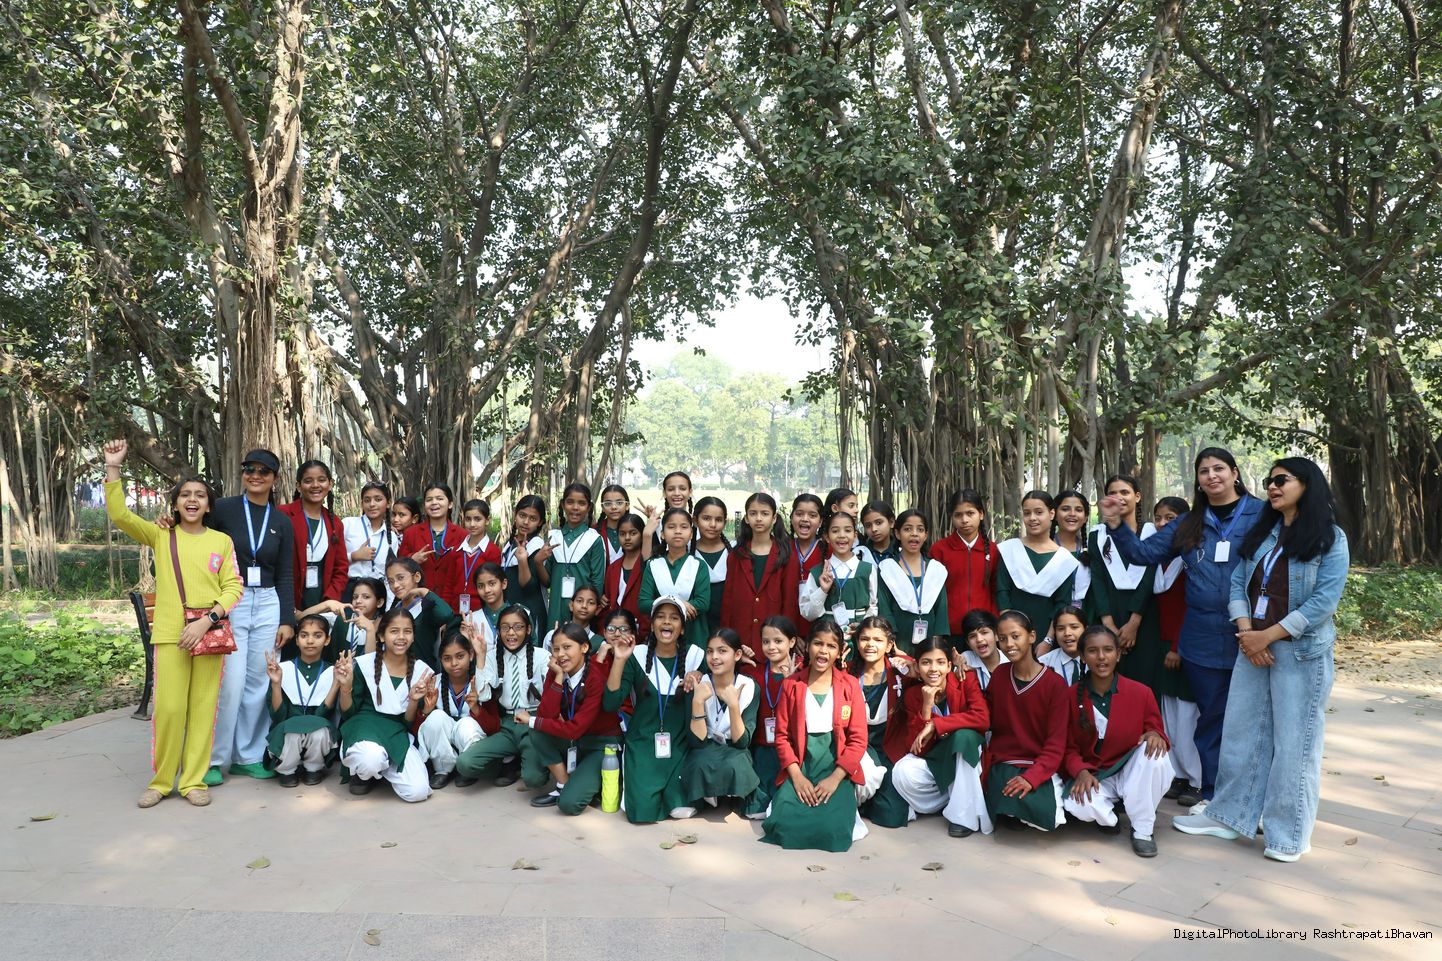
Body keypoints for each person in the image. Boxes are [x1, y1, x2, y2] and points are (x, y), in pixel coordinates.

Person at [1173, 457, 1349, 862]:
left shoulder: (1330, 537)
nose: (1272, 487)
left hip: (1299, 652)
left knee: (1295, 744)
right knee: (1241, 734)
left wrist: (1266, 636)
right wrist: (1246, 631)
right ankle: (1228, 817)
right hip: (1251, 645)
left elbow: (1323, 601)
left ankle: (1288, 836)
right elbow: (1239, 582)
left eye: (1281, 480)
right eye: (1269, 480)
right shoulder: (1265, 532)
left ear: (1307, 485)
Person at [1099, 446, 1264, 811]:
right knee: (1209, 719)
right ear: (1198, 481)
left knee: (1251, 720)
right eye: (1204, 471)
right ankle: (1213, 796)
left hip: (1251, 632)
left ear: (1235, 473)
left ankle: (1253, 798)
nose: (1212, 476)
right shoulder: (1189, 523)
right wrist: (1116, 524)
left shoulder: (1262, 514)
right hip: (1202, 635)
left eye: (1219, 468)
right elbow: (1142, 554)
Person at [103, 439, 244, 808]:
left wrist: (208, 619)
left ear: (208, 505)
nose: (192, 500)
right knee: (168, 711)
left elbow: (233, 586)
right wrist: (114, 467)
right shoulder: (161, 535)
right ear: (176, 503)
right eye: (185, 495)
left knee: (203, 709)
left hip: (208, 635)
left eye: (200, 495)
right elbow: (120, 516)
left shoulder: (222, 542)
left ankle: (194, 781)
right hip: (170, 635)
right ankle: (162, 781)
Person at [205, 447, 294, 787]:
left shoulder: (281, 520)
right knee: (230, 683)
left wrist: (286, 619)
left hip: (268, 601)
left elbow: (285, 573)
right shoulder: (223, 509)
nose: (255, 476)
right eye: (250, 470)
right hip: (233, 599)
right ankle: (214, 759)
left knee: (259, 682)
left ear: (274, 479)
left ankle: (249, 757)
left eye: (263, 471)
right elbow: (196, 539)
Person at [1062, 625, 1174, 858]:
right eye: (1092, 651)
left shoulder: (1141, 692)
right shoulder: (1070, 696)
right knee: (1076, 805)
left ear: (1118, 654)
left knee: (1156, 755)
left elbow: (1155, 728)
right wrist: (1081, 771)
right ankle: (1112, 815)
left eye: (1108, 650)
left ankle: (1142, 830)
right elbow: (1067, 746)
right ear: (1082, 656)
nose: (1101, 657)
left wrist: (1155, 735)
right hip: (1097, 775)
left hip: (1131, 771)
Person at [760, 618, 870, 851]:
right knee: (784, 825)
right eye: (818, 643)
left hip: (837, 767)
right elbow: (782, 737)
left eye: (831, 646)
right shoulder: (792, 684)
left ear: (840, 651)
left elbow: (858, 739)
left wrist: (835, 779)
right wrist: (797, 777)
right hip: (802, 764)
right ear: (807, 645)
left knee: (831, 829)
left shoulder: (850, 685)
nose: (823, 651)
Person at [602, 596, 706, 823]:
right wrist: (619, 659)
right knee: (641, 813)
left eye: (674, 618)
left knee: (681, 810)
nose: (666, 622)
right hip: (643, 743)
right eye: (660, 617)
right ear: (651, 624)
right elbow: (610, 704)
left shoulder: (695, 657)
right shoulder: (637, 656)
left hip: (680, 745)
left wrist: (699, 675)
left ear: (682, 628)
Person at [888, 637, 991, 838]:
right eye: (926, 662)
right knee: (902, 772)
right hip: (936, 757)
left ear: (949, 666)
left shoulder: (965, 679)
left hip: (965, 756)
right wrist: (926, 708)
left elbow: (982, 718)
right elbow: (918, 749)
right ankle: (953, 799)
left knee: (964, 737)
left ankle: (963, 817)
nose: (933, 669)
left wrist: (937, 724)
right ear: (917, 667)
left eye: (940, 662)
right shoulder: (913, 695)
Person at [518, 623, 622, 814]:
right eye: (556, 649)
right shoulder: (556, 671)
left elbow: (574, 729)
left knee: (569, 805)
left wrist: (531, 720)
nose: (561, 654)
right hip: (575, 741)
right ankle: (563, 783)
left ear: (584, 647)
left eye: (567, 647)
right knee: (538, 730)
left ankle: (590, 782)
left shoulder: (595, 678)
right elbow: (546, 715)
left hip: (600, 746)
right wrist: (558, 677)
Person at [984, 610, 1070, 832]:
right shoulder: (1000, 675)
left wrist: (1032, 778)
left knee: (1047, 816)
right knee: (1008, 799)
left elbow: (1056, 744)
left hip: (1039, 764)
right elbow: (985, 717)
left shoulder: (1055, 684)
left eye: (1015, 636)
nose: (1009, 644)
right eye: (1002, 639)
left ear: (1032, 636)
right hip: (1004, 763)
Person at [339, 607, 432, 801]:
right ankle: (363, 774)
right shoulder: (365, 664)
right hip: (364, 728)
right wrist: (345, 687)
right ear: (381, 636)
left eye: (407, 631)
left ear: (413, 637)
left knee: (418, 792)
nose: (401, 637)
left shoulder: (421, 671)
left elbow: (407, 723)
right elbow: (348, 713)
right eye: (394, 631)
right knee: (370, 759)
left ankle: (380, 769)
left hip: (396, 734)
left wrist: (414, 700)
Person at [455, 604, 551, 790]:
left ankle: (528, 760)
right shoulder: (492, 656)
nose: (511, 633)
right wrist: (480, 656)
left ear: (528, 629)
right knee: (465, 764)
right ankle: (505, 763)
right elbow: (483, 696)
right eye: (505, 627)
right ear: (498, 631)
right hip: (507, 724)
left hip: (533, 722)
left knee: (534, 780)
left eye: (518, 627)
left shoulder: (542, 656)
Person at [1090, 475, 1163, 702]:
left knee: (1145, 682)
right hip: (1109, 615)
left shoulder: (1152, 533)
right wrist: (1108, 623)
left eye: (1125, 492)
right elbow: (1097, 580)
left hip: (1146, 619)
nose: (1118, 497)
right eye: (1112, 493)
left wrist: (1134, 623)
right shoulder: (1097, 536)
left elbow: (1149, 579)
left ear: (1137, 497)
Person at [1151, 495, 1203, 806]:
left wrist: (1177, 647)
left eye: (1170, 518)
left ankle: (1197, 780)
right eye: (1158, 518)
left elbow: (1191, 607)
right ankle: (1178, 774)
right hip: (1159, 646)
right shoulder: (1157, 558)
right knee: (1168, 714)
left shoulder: (1193, 558)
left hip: (1184, 647)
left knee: (1188, 717)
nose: (1162, 524)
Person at [679, 628, 761, 811]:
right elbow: (697, 742)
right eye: (710, 651)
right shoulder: (698, 684)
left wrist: (733, 706)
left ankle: (732, 796)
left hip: (734, 747)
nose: (714, 657)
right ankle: (706, 796)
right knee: (700, 763)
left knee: (735, 763)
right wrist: (697, 702)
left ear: (737, 655)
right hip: (705, 746)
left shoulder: (749, 687)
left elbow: (742, 743)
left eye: (722, 651)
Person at [264, 615, 343, 787]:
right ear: (297, 640)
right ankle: (287, 769)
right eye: (304, 635)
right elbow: (278, 717)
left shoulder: (332, 671)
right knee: (291, 731)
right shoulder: (283, 669)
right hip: (288, 732)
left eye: (317, 635)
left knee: (320, 730)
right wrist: (276, 684)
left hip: (317, 730)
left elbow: (323, 716)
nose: (310, 641)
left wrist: (336, 683)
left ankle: (313, 767)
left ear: (327, 640)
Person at [852, 617, 913, 829]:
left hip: (888, 747)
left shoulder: (901, 671)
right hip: (858, 746)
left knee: (891, 816)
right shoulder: (847, 672)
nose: (870, 645)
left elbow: (931, 669)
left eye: (878, 640)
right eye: (865, 639)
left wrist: (908, 660)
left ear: (889, 645)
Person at [720, 492, 800, 652]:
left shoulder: (786, 555)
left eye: (764, 513)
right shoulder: (736, 554)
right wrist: (726, 639)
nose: (758, 518)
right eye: (753, 513)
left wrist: (786, 637)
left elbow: (789, 602)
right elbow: (728, 599)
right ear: (746, 518)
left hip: (773, 642)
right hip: (741, 639)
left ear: (774, 518)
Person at [996, 491, 1079, 640]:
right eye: (1027, 513)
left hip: (1047, 633)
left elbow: (1061, 604)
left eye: (1039, 512)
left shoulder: (1063, 559)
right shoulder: (1010, 550)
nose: (1032, 518)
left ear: (1052, 514)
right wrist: (1010, 634)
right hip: (1011, 635)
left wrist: (1048, 640)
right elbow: (1002, 592)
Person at [278, 461, 348, 635]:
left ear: (330, 484)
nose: (315, 485)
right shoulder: (283, 515)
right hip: (288, 601)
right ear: (298, 486)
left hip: (321, 601)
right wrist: (288, 606)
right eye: (308, 481)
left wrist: (327, 602)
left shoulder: (335, 523)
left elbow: (341, 568)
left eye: (321, 480)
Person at [743, 615, 803, 819]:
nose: (771, 647)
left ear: (792, 642)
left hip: (791, 750)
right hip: (762, 748)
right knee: (756, 811)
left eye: (778, 641)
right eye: (766, 641)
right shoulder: (756, 671)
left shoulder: (802, 671)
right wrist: (737, 659)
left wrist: (791, 682)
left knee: (785, 806)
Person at [413, 627, 487, 789]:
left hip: (470, 739)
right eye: (447, 658)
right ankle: (442, 769)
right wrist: (426, 711)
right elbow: (420, 730)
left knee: (466, 724)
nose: (454, 663)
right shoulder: (435, 683)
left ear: (471, 655)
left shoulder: (480, 680)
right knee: (436, 717)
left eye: (460, 656)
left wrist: (476, 709)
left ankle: (467, 768)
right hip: (445, 743)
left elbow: (493, 726)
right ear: (440, 660)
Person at [876, 509, 948, 655]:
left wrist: (937, 642)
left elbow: (941, 610)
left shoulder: (936, 570)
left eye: (920, 529)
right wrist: (892, 641)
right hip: (897, 642)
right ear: (897, 534)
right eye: (907, 529)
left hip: (931, 642)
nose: (914, 533)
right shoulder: (887, 568)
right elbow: (884, 608)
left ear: (926, 535)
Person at [639, 507, 711, 650]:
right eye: (671, 527)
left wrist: (663, 604)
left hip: (694, 634)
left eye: (684, 527)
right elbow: (643, 603)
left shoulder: (698, 565)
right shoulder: (653, 565)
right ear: (662, 534)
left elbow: (703, 603)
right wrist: (680, 604)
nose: (678, 531)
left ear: (691, 534)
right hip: (662, 634)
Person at [799, 511, 877, 638]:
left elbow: (873, 606)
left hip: (859, 637)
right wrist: (823, 590)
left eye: (847, 530)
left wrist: (863, 626)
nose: (842, 535)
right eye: (835, 531)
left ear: (855, 535)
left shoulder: (867, 570)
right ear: (827, 537)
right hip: (826, 638)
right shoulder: (818, 572)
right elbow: (808, 613)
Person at [929, 489, 998, 633]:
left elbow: (997, 590)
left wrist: (994, 622)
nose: (964, 520)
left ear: (981, 514)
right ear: (952, 517)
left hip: (984, 630)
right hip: (949, 629)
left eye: (970, 513)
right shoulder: (939, 550)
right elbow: (932, 593)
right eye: (958, 515)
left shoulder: (993, 550)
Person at [544, 482, 607, 628]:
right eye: (570, 502)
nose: (575, 507)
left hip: (582, 611)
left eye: (582, 503)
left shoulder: (594, 539)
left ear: (589, 507)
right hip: (556, 607)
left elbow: (597, 582)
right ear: (562, 504)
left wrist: (590, 606)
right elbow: (546, 581)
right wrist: (538, 561)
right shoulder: (554, 537)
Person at [398, 483, 467, 610]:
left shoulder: (462, 535)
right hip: (417, 602)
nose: (434, 503)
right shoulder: (411, 533)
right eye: (429, 500)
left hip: (450, 602)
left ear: (450, 504)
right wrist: (412, 559)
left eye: (440, 498)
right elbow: (398, 566)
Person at [501, 494, 549, 633]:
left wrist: (522, 561)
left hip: (530, 614)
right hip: (511, 611)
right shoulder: (510, 543)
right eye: (522, 515)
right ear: (515, 515)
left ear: (540, 522)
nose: (526, 522)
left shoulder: (536, 546)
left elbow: (529, 587)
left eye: (532, 518)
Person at [342, 482, 395, 602]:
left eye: (378, 499)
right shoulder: (348, 524)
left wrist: (388, 604)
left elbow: (390, 574)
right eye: (367, 500)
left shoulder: (392, 537)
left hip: (378, 592)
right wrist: (354, 556)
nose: (372, 504)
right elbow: (332, 560)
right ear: (362, 504)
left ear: (388, 503)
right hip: (350, 590)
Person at [452, 499, 501, 616]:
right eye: (468, 519)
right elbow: (449, 583)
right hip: (456, 610)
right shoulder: (457, 550)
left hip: (481, 611)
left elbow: (494, 584)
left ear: (487, 520)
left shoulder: (492, 551)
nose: (472, 524)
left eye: (477, 519)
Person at [602, 512, 647, 636]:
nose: (627, 538)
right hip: (616, 633)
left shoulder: (648, 564)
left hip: (643, 631)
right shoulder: (613, 568)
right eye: (622, 534)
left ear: (642, 535)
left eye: (633, 533)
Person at [693, 496, 731, 636]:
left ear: (725, 522)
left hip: (727, 626)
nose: (713, 524)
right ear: (695, 520)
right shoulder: (686, 552)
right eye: (706, 518)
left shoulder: (733, 552)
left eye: (719, 520)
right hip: (696, 626)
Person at [787, 494, 827, 627]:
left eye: (812, 515)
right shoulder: (782, 548)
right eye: (799, 514)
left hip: (820, 626)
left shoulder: (829, 550)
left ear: (820, 522)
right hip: (787, 624)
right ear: (791, 517)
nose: (805, 519)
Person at [1052, 490, 1093, 613]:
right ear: (1054, 514)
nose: (1072, 514)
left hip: (1085, 616)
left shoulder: (1090, 549)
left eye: (1079, 510)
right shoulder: (1045, 549)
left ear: (1085, 518)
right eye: (1065, 509)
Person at [641, 471, 695, 558]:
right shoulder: (657, 525)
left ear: (690, 492)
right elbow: (647, 560)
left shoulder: (698, 524)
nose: (677, 493)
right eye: (671, 489)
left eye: (682, 488)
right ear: (664, 493)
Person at [328, 576, 385, 660]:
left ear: (379, 602)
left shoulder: (385, 625)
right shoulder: (342, 618)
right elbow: (305, 615)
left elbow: (370, 664)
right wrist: (327, 604)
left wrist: (370, 630)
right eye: (355, 597)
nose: (358, 601)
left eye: (366, 597)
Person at [958, 608, 1005, 690]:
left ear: (997, 635)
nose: (979, 639)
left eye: (984, 632)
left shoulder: (1009, 661)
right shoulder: (966, 659)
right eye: (972, 636)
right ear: (968, 643)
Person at [1038, 607, 1086, 686]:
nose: (1067, 633)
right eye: (1061, 629)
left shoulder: (1096, 661)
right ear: (1055, 632)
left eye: (1074, 627)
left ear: (1086, 629)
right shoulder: (1043, 664)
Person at [596, 484, 631, 564]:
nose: (614, 507)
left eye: (619, 503)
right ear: (602, 507)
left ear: (627, 505)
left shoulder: (637, 530)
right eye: (608, 504)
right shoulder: (594, 531)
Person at [859, 500, 898, 565]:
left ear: (891, 522)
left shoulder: (902, 551)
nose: (874, 529)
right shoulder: (859, 553)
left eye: (878, 523)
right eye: (868, 525)